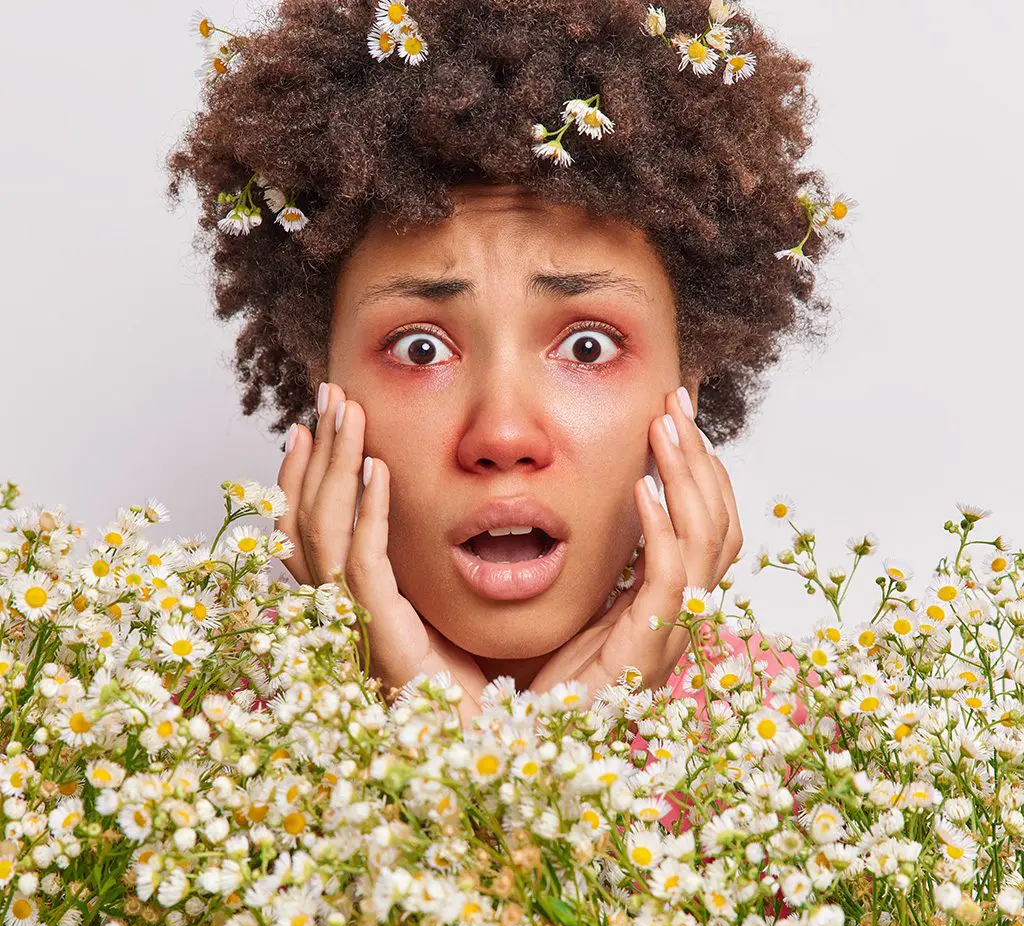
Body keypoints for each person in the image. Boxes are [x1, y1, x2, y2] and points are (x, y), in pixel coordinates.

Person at [169, 0, 840, 722]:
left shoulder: (807, 751)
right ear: (321, 381)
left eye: (588, 346)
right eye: (419, 349)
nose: (502, 437)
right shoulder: (175, 738)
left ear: (687, 384)